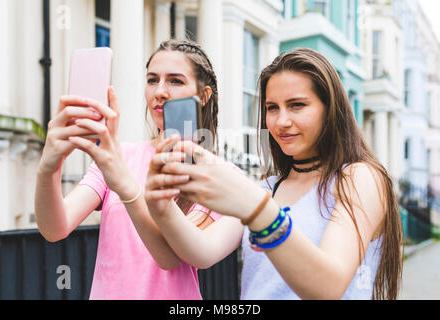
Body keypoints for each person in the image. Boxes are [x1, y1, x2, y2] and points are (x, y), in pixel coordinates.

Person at [147, 48, 404, 300]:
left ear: (330, 109)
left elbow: (328, 287)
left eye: (297, 105)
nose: (281, 121)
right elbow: (202, 252)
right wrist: (160, 206)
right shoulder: (269, 188)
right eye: (272, 108)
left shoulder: (360, 178)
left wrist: (258, 210)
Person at [34, 39, 243, 299]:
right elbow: (55, 228)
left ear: (203, 96)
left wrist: (125, 184)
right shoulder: (120, 156)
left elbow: (169, 257)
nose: (160, 91)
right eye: (152, 80)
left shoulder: (223, 177)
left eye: (175, 81)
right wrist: (49, 167)